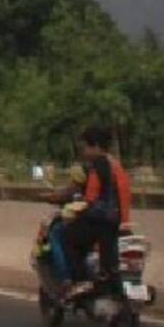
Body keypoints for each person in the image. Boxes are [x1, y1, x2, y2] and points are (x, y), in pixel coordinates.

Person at [57, 125, 130, 298]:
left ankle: (81, 280)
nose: (84, 152)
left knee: (67, 236)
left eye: (86, 147)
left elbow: (90, 200)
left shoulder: (97, 166)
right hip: (120, 222)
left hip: (101, 222)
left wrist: (77, 209)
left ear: (95, 146)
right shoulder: (117, 165)